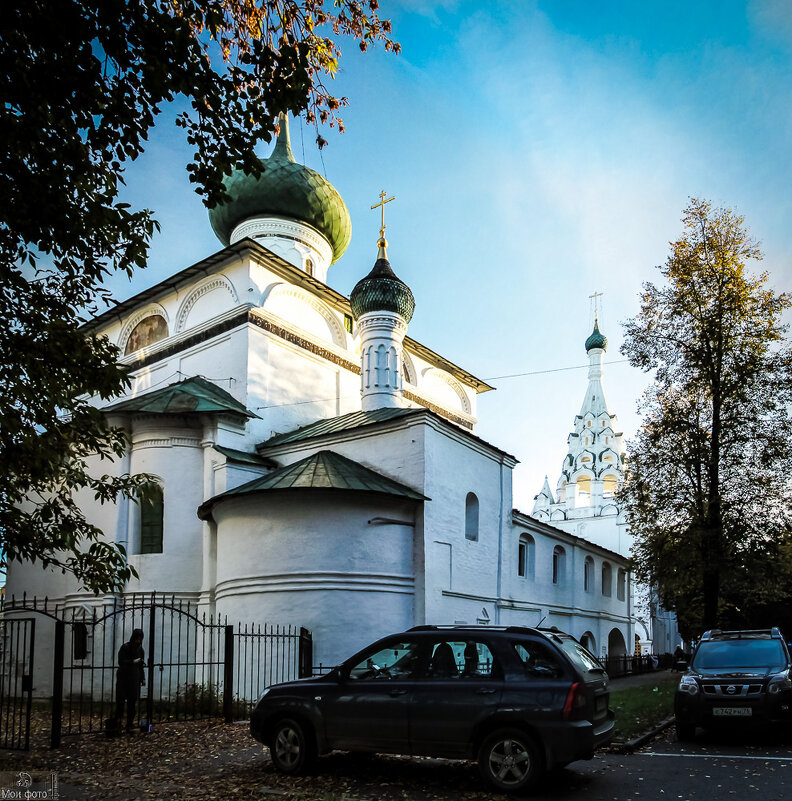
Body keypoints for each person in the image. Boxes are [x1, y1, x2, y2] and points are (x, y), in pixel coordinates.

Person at [115, 628, 146, 733]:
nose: (138, 641)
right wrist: (133, 661)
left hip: (134, 678)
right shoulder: (125, 647)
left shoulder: (140, 650)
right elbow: (121, 662)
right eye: (137, 638)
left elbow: (141, 666)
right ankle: (117, 725)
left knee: (132, 702)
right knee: (120, 701)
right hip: (124, 677)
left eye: (140, 639)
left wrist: (142, 678)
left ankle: (129, 724)